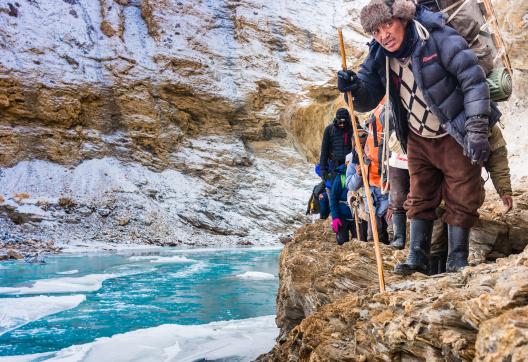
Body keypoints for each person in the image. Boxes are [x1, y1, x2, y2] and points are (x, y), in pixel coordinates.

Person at [338, 0, 501, 274]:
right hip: (417, 137)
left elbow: (473, 81)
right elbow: (366, 98)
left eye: (387, 25)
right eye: (376, 31)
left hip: (452, 130)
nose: (383, 35)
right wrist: (352, 89)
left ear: (402, 18)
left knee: (462, 192)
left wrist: (475, 130)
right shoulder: (379, 54)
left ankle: (457, 258)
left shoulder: (437, 37)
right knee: (420, 193)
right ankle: (417, 256)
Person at [429, 124, 513, 274]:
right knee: (434, 243)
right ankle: (433, 278)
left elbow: (497, 158)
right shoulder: (432, 117)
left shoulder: (486, 123)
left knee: (457, 235)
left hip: (465, 193)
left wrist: (504, 190)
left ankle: (453, 273)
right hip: (435, 192)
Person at [345, 103, 390, 245]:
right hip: (370, 202)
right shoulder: (354, 158)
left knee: (394, 234)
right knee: (372, 237)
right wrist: (358, 174)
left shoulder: (383, 152)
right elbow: (351, 185)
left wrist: (395, 204)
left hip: (388, 199)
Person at [330, 163, 364, 244]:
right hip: (342, 216)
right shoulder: (341, 177)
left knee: (360, 241)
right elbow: (333, 199)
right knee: (342, 241)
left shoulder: (364, 174)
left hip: (358, 215)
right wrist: (335, 217)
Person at [319, 108, 353, 184]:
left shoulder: (353, 129)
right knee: (334, 191)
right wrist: (323, 169)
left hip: (349, 166)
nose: (342, 125)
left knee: (347, 192)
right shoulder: (329, 130)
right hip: (334, 166)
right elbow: (324, 151)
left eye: (344, 123)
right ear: (336, 119)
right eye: (340, 122)